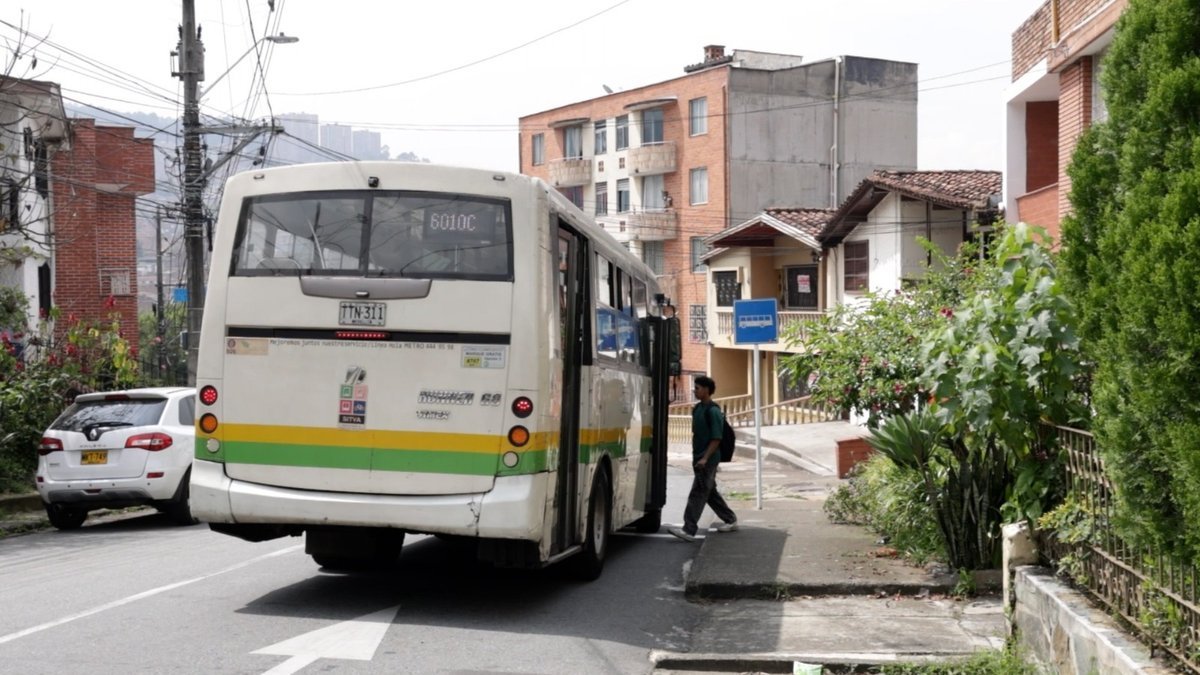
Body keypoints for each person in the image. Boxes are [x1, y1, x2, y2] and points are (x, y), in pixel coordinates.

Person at [668, 375, 737, 542]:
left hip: (708, 459)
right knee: (709, 492)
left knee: (698, 493)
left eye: (697, 388)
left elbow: (716, 438)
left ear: (706, 390)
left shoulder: (713, 411)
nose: (695, 391)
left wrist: (705, 458)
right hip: (698, 457)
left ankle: (689, 529)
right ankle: (730, 519)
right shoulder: (697, 409)